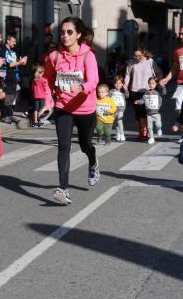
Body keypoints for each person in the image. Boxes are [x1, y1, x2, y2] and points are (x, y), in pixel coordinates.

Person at [41, 16, 100, 205]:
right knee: (63, 146)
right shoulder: (54, 57)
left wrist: (82, 88)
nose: (65, 36)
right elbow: (47, 80)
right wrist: (48, 101)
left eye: (69, 32)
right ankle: (63, 189)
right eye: (62, 32)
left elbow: (94, 81)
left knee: (85, 145)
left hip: (85, 108)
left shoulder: (88, 55)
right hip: (63, 107)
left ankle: (93, 161)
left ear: (78, 35)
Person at [125, 48, 162, 139]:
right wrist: (125, 85)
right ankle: (142, 130)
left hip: (147, 91)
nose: (137, 58)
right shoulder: (131, 62)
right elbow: (127, 75)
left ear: (144, 53)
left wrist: (158, 82)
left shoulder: (150, 62)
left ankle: (145, 130)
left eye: (139, 56)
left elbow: (159, 72)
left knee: (145, 112)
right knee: (138, 113)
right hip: (135, 91)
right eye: (135, 56)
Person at [0, 34, 27, 125]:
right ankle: (4, 115)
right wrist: (19, 63)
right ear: (8, 41)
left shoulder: (14, 51)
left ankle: (10, 114)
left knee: (12, 96)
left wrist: (23, 60)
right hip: (6, 75)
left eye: (15, 41)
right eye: (13, 41)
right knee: (6, 96)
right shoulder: (2, 50)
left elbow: (19, 61)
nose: (15, 43)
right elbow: (7, 64)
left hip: (14, 75)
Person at [135, 76, 163, 144]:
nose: (151, 85)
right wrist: (138, 101)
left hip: (156, 113)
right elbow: (143, 100)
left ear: (156, 84)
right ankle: (151, 138)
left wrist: (163, 86)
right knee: (149, 127)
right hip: (149, 113)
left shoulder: (157, 92)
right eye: (150, 83)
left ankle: (159, 129)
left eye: (153, 83)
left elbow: (164, 92)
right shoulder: (146, 93)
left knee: (158, 124)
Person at [29, 63, 49, 127]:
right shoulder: (43, 80)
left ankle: (35, 121)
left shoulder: (33, 80)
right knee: (41, 109)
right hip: (42, 96)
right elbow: (45, 88)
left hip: (35, 96)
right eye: (42, 72)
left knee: (36, 109)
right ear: (41, 73)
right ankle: (39, 120)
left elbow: (32, 88)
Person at [110, 75, 127, 141]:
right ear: (114, 84)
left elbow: (127, 96)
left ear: (122, 84)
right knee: (115, 123)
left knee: (120, 121)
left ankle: (122, 134)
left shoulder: (123, 92)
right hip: (114, 110)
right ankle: (118, 134)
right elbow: (107, 98)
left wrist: (126, 89)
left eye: (120, 83)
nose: (118, 85)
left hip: (121, 110)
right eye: (116, 83)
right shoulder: (111, 91)